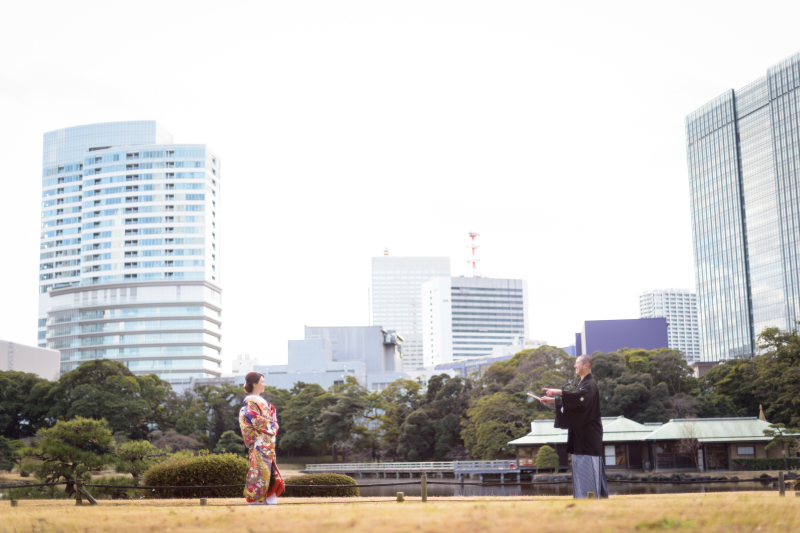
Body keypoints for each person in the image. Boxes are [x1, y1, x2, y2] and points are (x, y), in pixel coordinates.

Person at [539, 354, 608, 499]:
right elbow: (576, 401)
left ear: (586, 365)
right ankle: (585, 499)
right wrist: (553, 400)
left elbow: (579, 399)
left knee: (589, 471)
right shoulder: (583, 384)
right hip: (581, 436)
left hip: (588, 437)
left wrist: (559, 392)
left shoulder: (590, 384)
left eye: (577, 363)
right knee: (582, 469)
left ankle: (590, 499)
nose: (574, 366)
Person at [239, 371, 284, 506]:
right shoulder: (252, 402)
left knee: (265, 470)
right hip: (260, 443)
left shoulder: (256, 401)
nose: (264, 384)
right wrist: (273, 424)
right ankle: (259, 499)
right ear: (254, 383)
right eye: (262, 381)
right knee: (261, 470)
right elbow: (255, 420)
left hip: (264, 443)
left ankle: (266, 498)